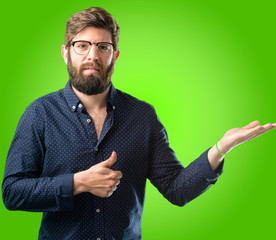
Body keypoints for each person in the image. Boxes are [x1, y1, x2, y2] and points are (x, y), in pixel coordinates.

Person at [2, 7, 275, 240]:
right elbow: (12, 193)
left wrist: (222, 147)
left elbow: (176, 189)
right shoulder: (40, 113)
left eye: (103, 47)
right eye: (82, 45)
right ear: (65, 52)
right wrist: (77, 183)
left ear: (115, 55)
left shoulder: (142, 116)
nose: (92, 56)